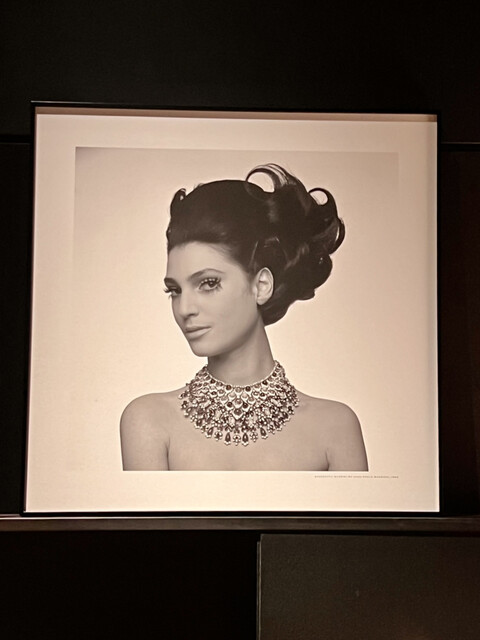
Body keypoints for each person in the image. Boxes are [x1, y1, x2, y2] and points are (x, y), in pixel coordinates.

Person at [120, 164, 368, 471]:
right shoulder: (148, 421)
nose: (184, 309)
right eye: (175, 290)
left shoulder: (335, 429)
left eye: (208, 283)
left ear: (261, 285)